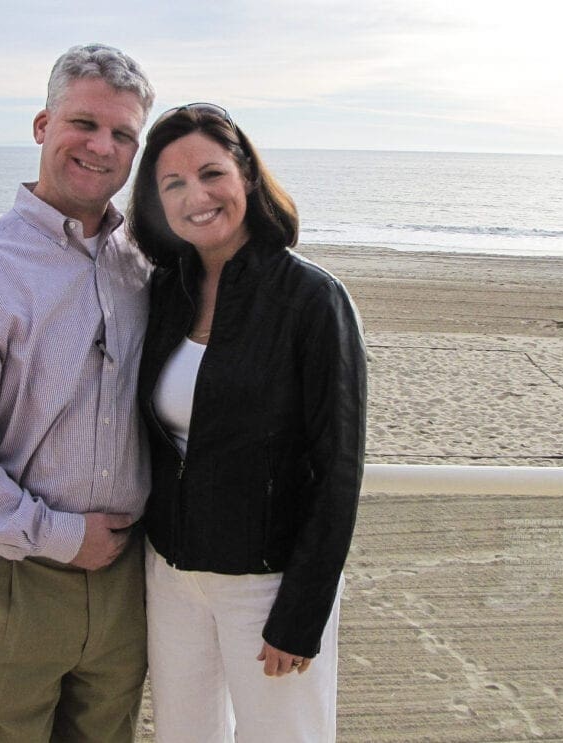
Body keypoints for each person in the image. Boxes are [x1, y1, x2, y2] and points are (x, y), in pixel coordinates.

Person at [0, 44, 155, 742]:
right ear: (43, 125)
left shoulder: (144, 266)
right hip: (10, 578)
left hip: (123, 586)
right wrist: (62, 536)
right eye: (85, 123)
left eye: (123, 134)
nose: (102, 146)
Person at [127, 103, 367, 743]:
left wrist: (301, 613)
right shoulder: (164, 293)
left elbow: (338, 467)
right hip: (172, 575)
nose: (195, 196)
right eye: (172, 184)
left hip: (267, 583)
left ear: (248, 178)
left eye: (211, 173)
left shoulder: (312, 300)